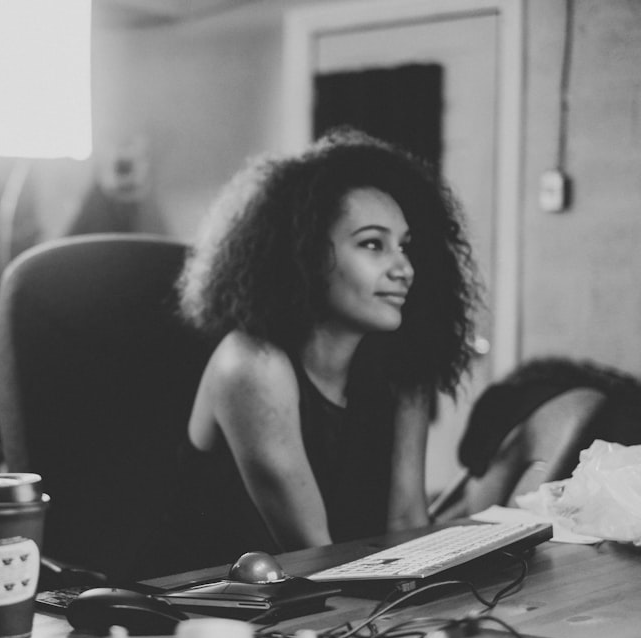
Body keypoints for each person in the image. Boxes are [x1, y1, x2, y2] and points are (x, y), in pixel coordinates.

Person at [149, 129, 479, 574]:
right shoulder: (251, 365)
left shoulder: (403, 366)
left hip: (325, 611)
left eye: (405, 246)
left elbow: (407, 523)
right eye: (371, 244)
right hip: (203, 617)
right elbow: (316, 553)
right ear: (303, 253)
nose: (404, 268)